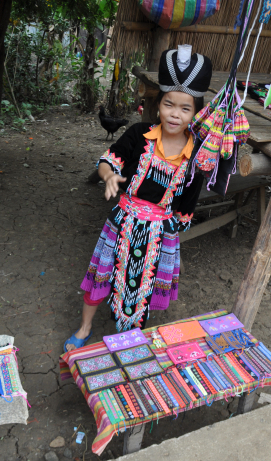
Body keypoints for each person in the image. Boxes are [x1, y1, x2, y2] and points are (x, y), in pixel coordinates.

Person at [64, 46, 212, 352]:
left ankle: (129, 339)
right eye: (169, 104)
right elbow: (108, 160)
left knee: (142, 287)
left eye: (185, 109)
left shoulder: (197, 156)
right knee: (101, 275)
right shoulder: (138, 134)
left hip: (159, 232)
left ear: (195, 113)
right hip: (123, 222)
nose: (175, 114)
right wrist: (108, 176)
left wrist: (171, 233)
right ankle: (85, 327)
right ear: (158, 105)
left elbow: (187, 206)